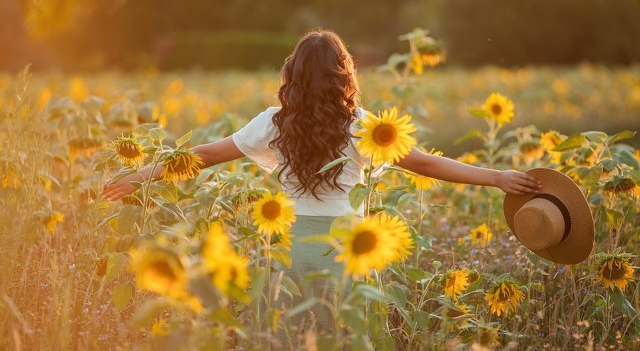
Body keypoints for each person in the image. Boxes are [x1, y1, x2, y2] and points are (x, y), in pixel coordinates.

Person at [101, 29, 541, 340]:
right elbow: (425, 164)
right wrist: (497, 177)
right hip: (345, 247)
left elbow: (207, 155)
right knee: (341, 336)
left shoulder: (273, 123)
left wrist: (140, 175)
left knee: (288, 337)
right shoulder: (362, 127)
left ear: (292, 72)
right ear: (343, 73)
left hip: (285, 246)